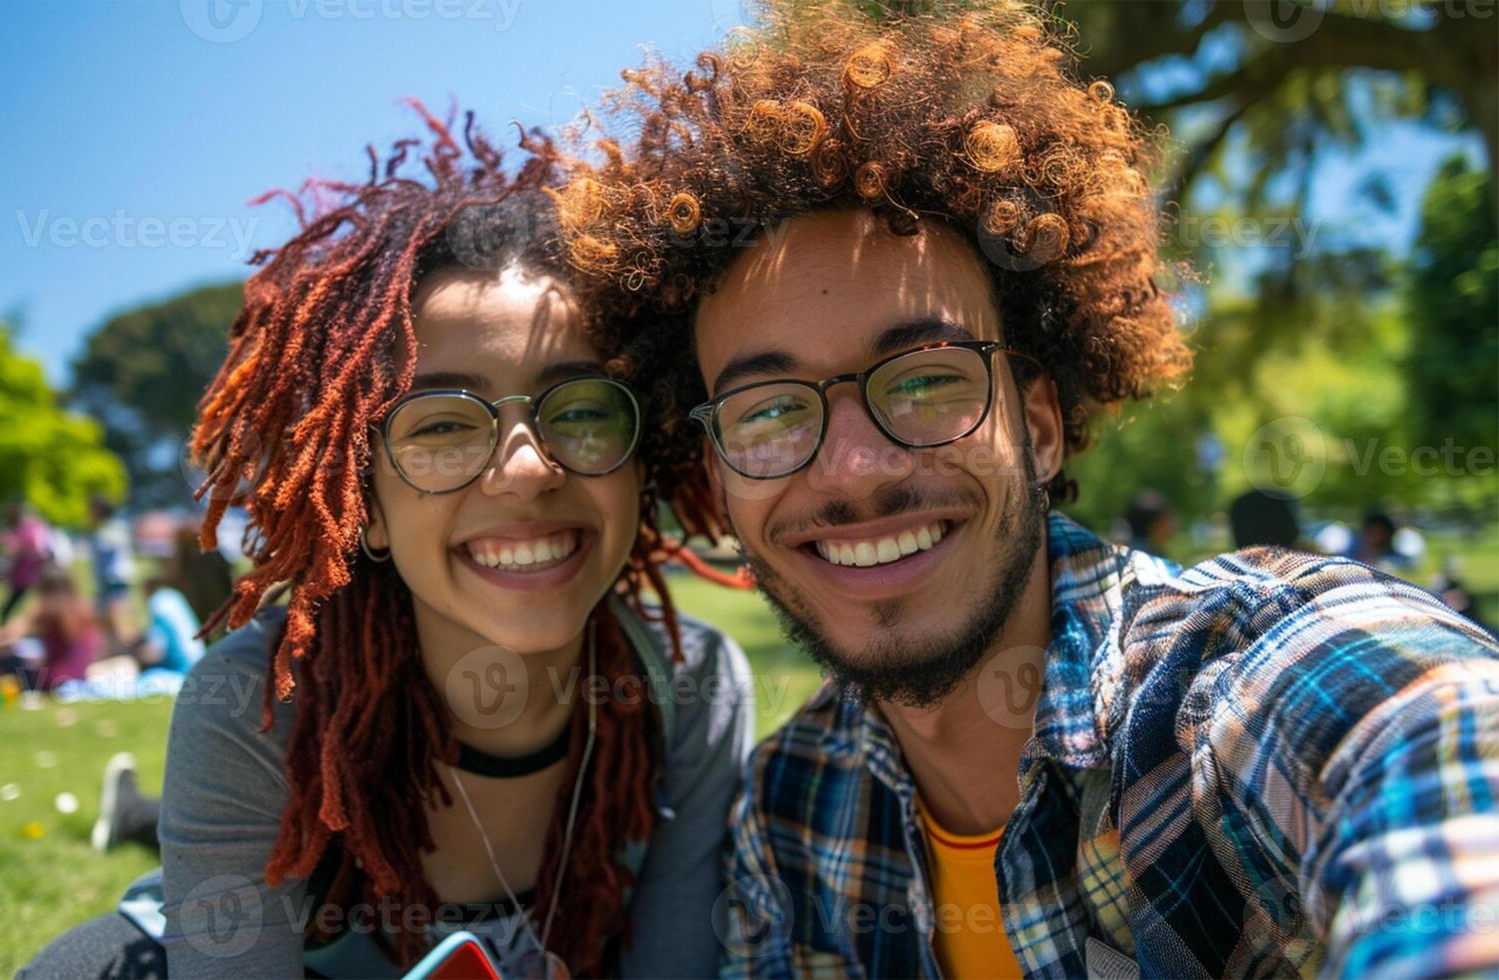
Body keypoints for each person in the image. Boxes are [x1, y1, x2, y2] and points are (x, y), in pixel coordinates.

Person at [558, 3, 1499, 976]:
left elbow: (1424, 738)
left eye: (924, 379)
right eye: (767, 413)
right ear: (715, 474)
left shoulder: (1232, 686)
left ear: (1037, 425)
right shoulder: (786, 814)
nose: (852, 467)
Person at [20, 113, 753, 980]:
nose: (523, 472)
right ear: (362, 502)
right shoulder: (254, 710)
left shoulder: (692, 690)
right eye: (443, 426)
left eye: (583, 410)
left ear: (646, 456)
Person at [0, 568, 102, 692]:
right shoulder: (85, 608)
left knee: (0, 659)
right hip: (81, 675)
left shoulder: (46, 610)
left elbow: (5, 636)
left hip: (52, 679)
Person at [87, 495, 136, 652]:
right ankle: (114, 651)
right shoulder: (109, 529)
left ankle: (127, 653)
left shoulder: (112, 529)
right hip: (107, 583)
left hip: (114, 582)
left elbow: (108, 547)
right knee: (105, 625)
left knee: (120, 624)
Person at [0, 501, 50, 625]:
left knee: (16, 600)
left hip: (28, 569)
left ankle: (4, 623)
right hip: (25, 569)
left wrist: (8, 542)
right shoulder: (32, 526)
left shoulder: (31, 527)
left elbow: (34, 546)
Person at [1122, 489, 1175, 558]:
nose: (1172, 523)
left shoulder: (1126, 552)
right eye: (1168, 518)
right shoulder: (1150, 557)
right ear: (1156, 524)